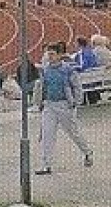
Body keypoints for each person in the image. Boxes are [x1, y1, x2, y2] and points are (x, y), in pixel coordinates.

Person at [33, 45, 92, 174]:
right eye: (48, 54)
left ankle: (87, 151)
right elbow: (42, 86)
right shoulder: (45, 70)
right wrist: (40, 102)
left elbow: (77, 86)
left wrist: (76, 102)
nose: (49, 56)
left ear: (60, 55)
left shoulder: (68, 70)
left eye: (52, 54)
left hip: (64, 105)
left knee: (73, 132)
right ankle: (46, 164)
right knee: (47, 135)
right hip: (49, 105)